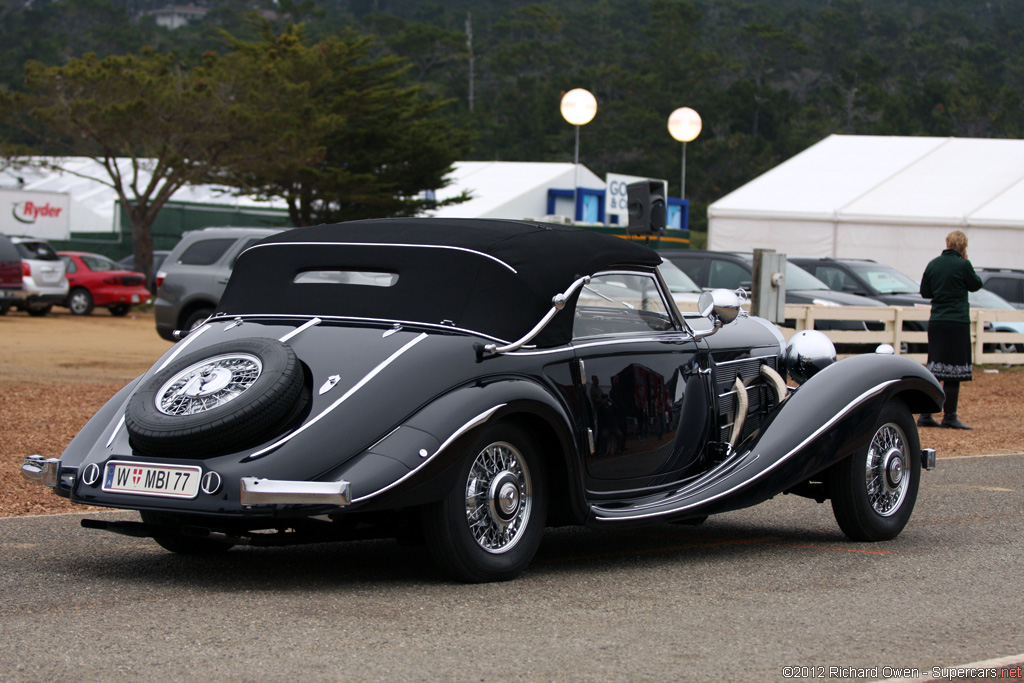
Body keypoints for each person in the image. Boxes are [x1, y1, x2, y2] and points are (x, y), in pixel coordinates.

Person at [917, 230, 983, 429]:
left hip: (937, 320)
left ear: (947, 243)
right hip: (957, 321)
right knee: (954, 370)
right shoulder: (964, 265)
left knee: (935, 367)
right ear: (963, 246)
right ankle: (950, 416)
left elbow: (925, 292)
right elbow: (976, 285)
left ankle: (925, 414)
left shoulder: (933, 264)